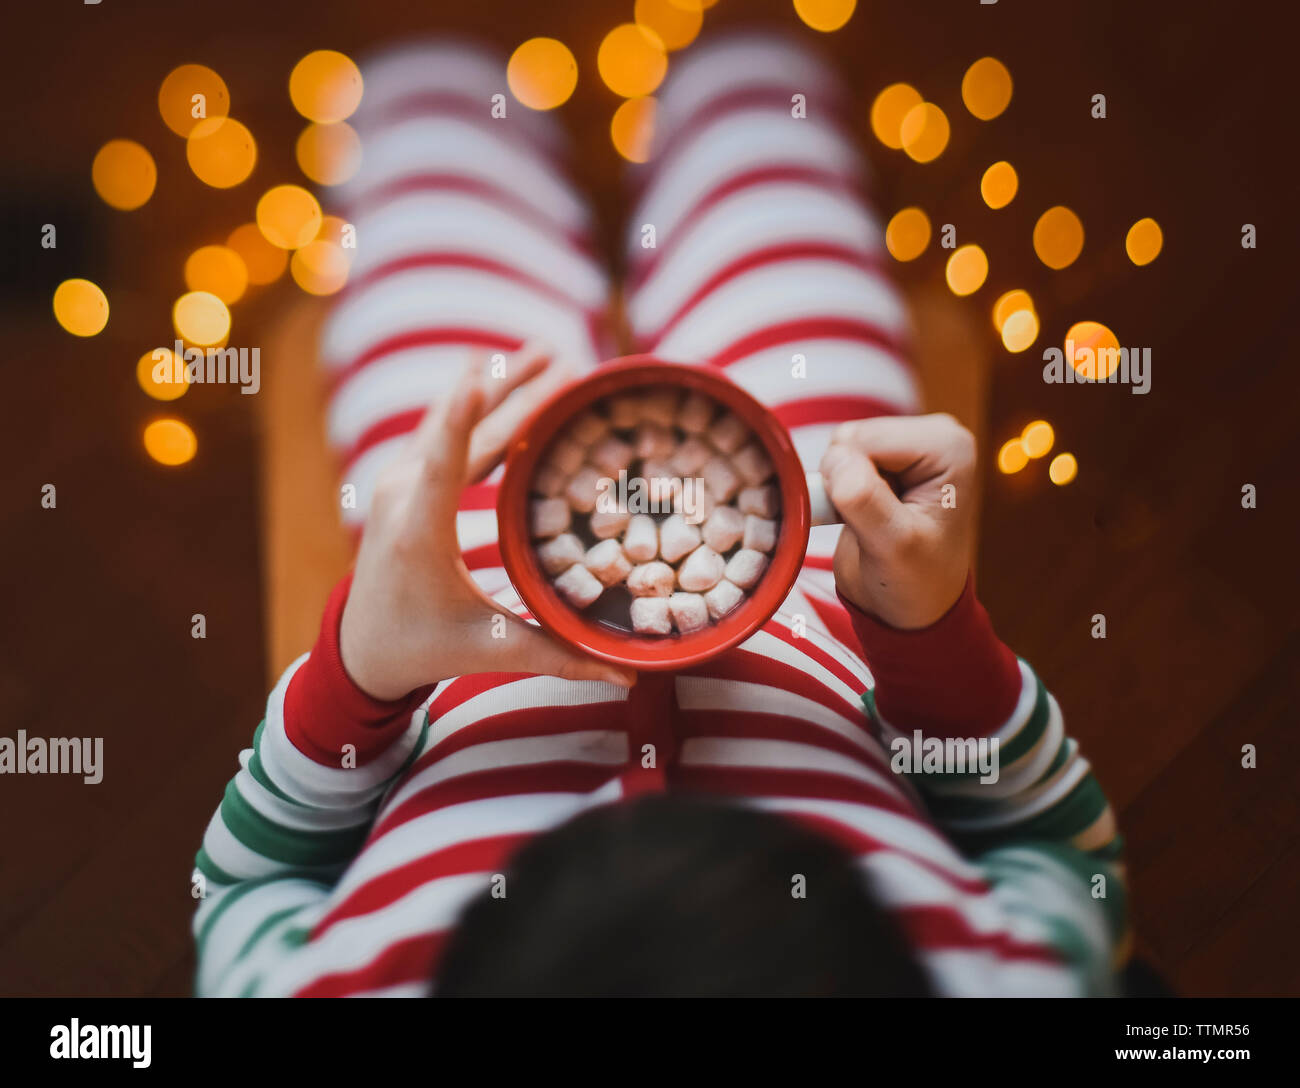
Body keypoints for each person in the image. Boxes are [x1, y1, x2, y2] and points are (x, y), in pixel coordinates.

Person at [191, 33, 1127, 997]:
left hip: (446, 589)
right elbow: (1056, 852)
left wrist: (355, 681)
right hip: (815, 551)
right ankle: (726, 68)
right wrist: (931, 641)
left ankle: (456, 77)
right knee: (761, 106)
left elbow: (247, 886)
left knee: (433, 108)